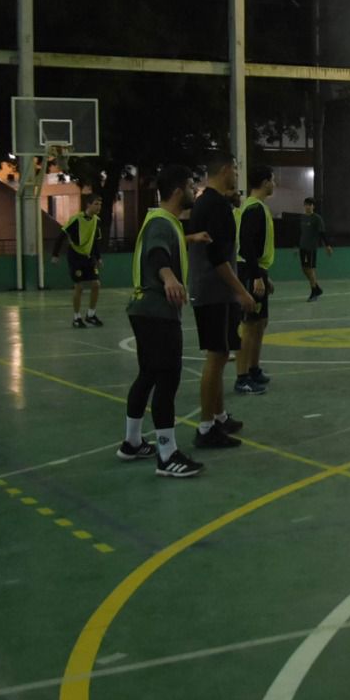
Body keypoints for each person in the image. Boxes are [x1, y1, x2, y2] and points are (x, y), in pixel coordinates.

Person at [119, 164, 208, 477]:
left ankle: (131, 442)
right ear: (176, 191)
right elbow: (157, 254)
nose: (193, 192)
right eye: (189, 187)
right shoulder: (161, 224)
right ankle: (167, 455)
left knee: (148, 375)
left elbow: (166, 242)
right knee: (167, 379)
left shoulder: (164, 221)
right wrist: (169, 276)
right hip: (158, 311)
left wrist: (191, 238)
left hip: (143, 309)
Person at [187, 152, 257, 449]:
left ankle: (218, 416)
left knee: (221, 352)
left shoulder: (209, 202)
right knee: (216, 357)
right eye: (236, 170)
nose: (238, 176)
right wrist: (240, 290)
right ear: (226, 170)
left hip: (214, 291)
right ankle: (206, 428)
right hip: (214, 292)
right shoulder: (214, 206)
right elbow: (217, 258)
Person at [234, 166, 277, 394]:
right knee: (249, 325)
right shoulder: (253, 209)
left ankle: (253, 369)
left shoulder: (259, 207)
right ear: (264, 181)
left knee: (260, 323)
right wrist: (255, 276)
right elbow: (247, 244)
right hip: (249, 270)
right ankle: (242, 377)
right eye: (272, 180)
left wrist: (263, 275)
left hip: (257, 269)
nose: (275, 184)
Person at [51, 193, 105, 327]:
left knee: (96, 284)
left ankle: (91, 314)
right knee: (79, 286)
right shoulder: (76, 219)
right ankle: (76, 318)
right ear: (88, 205)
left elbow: (95, 242)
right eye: (96, 204)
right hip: (75, 256)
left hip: (88, 257)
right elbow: (61, 236)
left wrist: (98, 258)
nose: (99, 207)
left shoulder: (97, 221)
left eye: (100, 204)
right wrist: (55, 254)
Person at [298, 197, 333, 302]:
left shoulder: (317, 218)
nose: (307, 207)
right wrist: (296, 246)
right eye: (306, 204)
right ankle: (317, 288)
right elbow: (301, 233)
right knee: (305, 269)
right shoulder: (302, 218)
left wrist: (327, 246)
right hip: (302, 247)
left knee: (311, 269)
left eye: (309, 205)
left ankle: (314, 292)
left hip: (311, 248)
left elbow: (322, 233)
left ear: (313, 206)